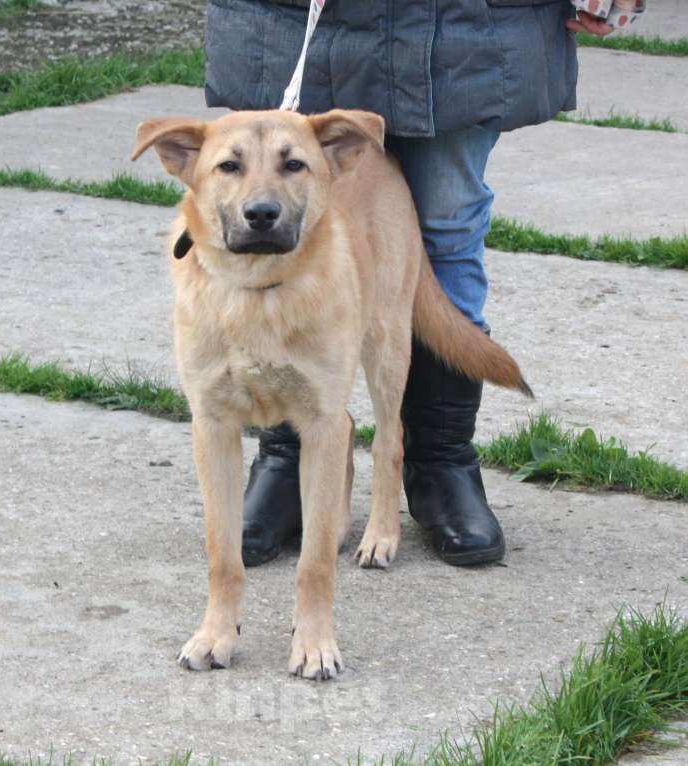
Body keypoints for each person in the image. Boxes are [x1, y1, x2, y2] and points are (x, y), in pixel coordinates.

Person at [201, 0, 618, 567]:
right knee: (273, 226)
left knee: (449, 223)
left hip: (463, 27)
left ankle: (439, 460)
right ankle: (288, 452)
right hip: (292, 18)